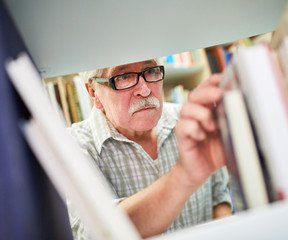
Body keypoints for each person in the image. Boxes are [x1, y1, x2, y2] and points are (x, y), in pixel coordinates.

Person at [68, 59, 232, 239]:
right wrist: (184, 176)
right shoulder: (73, 146)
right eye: (123, 76)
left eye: (151, 71)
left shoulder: (188, 119)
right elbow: (101, 231)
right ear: (93, 93)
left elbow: (220, 196)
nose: (145, 90)